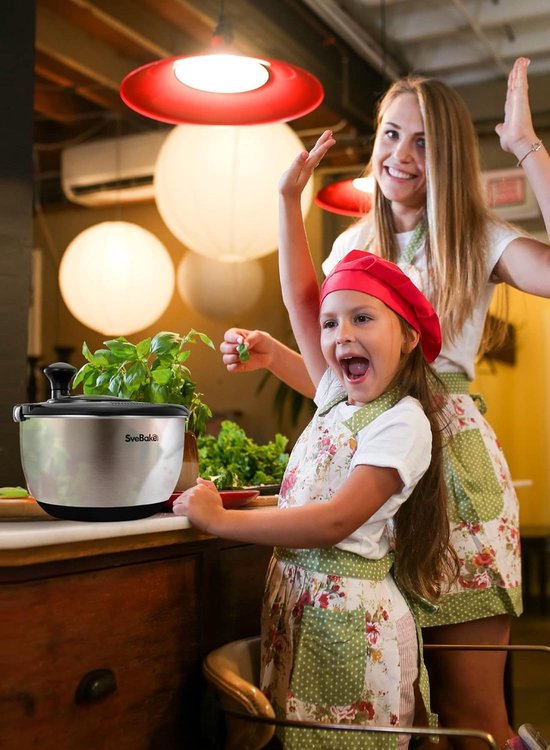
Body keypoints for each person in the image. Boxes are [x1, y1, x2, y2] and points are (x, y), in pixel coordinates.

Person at [220, 56, 550, 749]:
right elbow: (339, 392)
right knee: (389, 709)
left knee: (467, 712)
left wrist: (526, 146)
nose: (401, 154)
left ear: (452, 154)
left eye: (424, 141)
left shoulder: (479, 237)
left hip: (453, 480)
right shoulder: (352, 242)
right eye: (392, 134)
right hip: (368, 470)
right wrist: (276, 353)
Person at [174, 242, 458, 747]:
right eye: (330, 324)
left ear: (409, 336)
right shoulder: (339, 401)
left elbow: (333, 520)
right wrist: (288, 196)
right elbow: (296, 299)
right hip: (310, 618)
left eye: (363, 317)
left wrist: (220, 521)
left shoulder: (403, 421)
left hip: (350, 624)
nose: (341, 333)